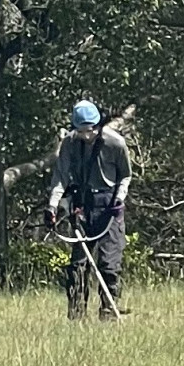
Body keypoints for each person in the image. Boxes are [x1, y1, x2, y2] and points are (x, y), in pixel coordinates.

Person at [48, 99, 131, 319]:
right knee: (78, 265)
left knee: (109, 265)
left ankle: (109, 313)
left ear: (98, 125)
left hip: (109, 206)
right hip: (82, 206)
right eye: (82, 131)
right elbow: (61, 176)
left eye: (91, 130)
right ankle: (76, 316)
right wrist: (53, 205)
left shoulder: (116, 143)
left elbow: (126, 175)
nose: (87, 136)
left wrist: (120, 199)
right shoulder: (70, 143)